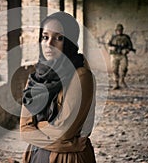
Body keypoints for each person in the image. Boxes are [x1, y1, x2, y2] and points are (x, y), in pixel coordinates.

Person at [20, 11, 96, 163]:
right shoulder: (37, 77)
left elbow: (63, 132)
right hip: (37, 155)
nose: (49, 44)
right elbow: (24, 131)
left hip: (68, 158)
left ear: (70, 41)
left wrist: (37, 128)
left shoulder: (81, 76)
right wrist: (70, 144)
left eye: (59, 38)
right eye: (45, 37)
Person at [108, 24, 135, 90]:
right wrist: (112, 48)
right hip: (114, 55)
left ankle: (122, 80)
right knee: (114, 69)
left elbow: (130, 47)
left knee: (124, 68)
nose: (119, 31)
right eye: (118, 30)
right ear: (116, 31)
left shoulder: (126, 37)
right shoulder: (113, 37)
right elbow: (109, 45)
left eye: (120, 30)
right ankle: (116, 83)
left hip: (122, 55)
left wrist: (126, 50)